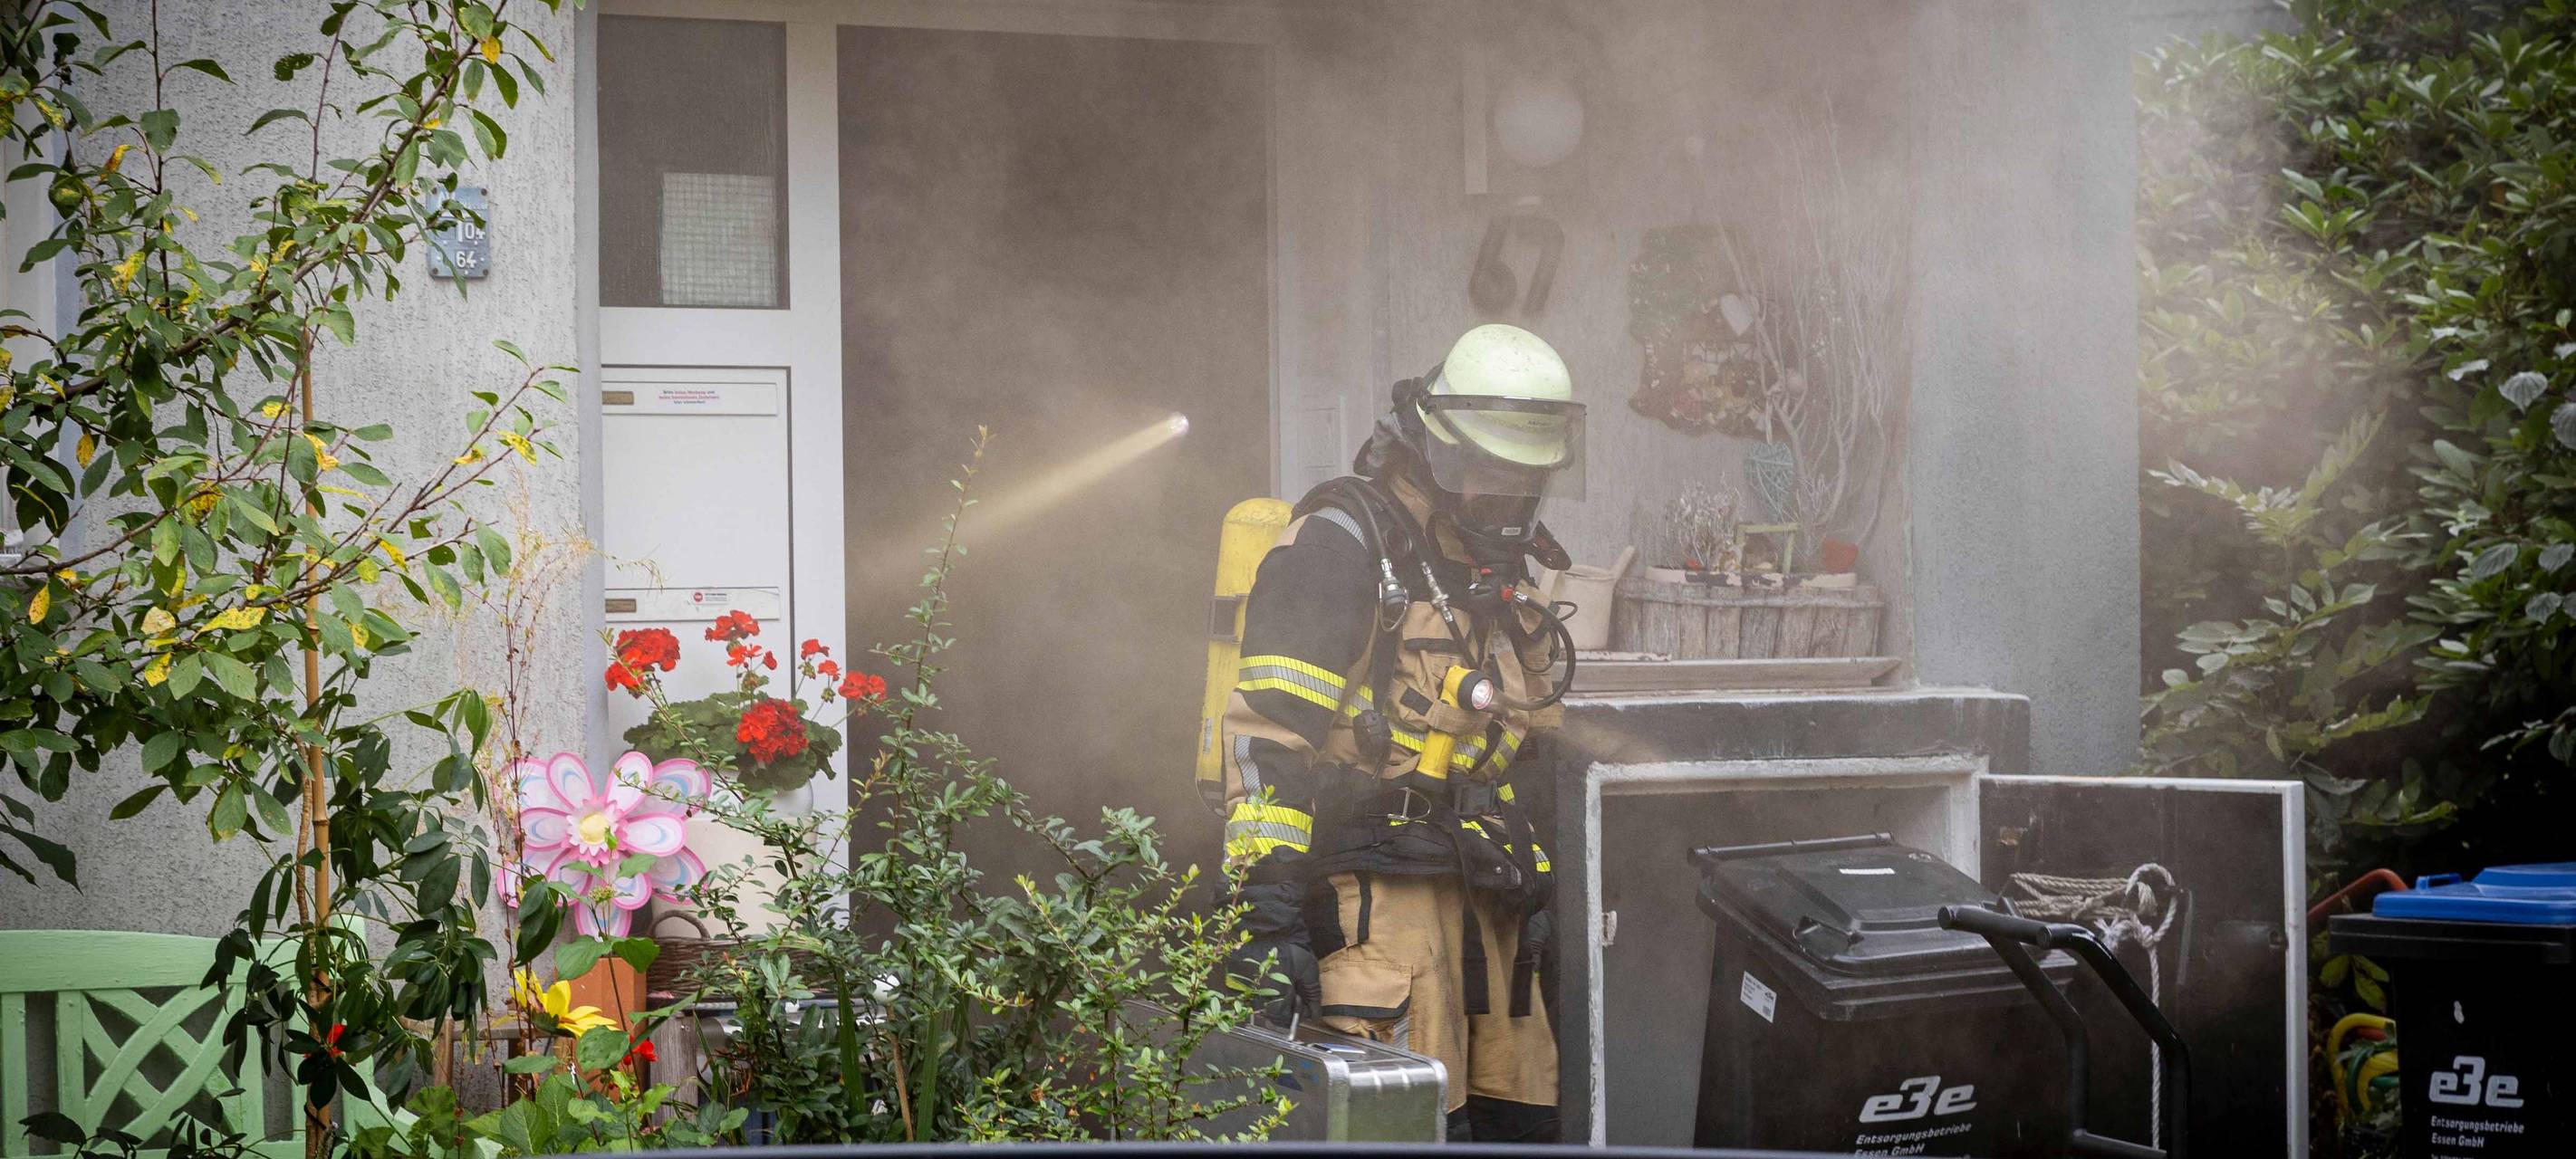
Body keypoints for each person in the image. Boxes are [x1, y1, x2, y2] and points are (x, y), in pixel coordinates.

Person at [1218, 322, 1586, 1142]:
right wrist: (1265, 922)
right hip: (1378, 917)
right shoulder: (1338, 550)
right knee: (1407, 1135)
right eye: (1488, 470)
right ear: (1435, 449)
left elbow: (1527, 737)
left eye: (1523, 477)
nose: (1505, 494)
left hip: (1491, 914)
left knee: (1522, 1130)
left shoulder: (1490, 568)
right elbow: (1266, 746)